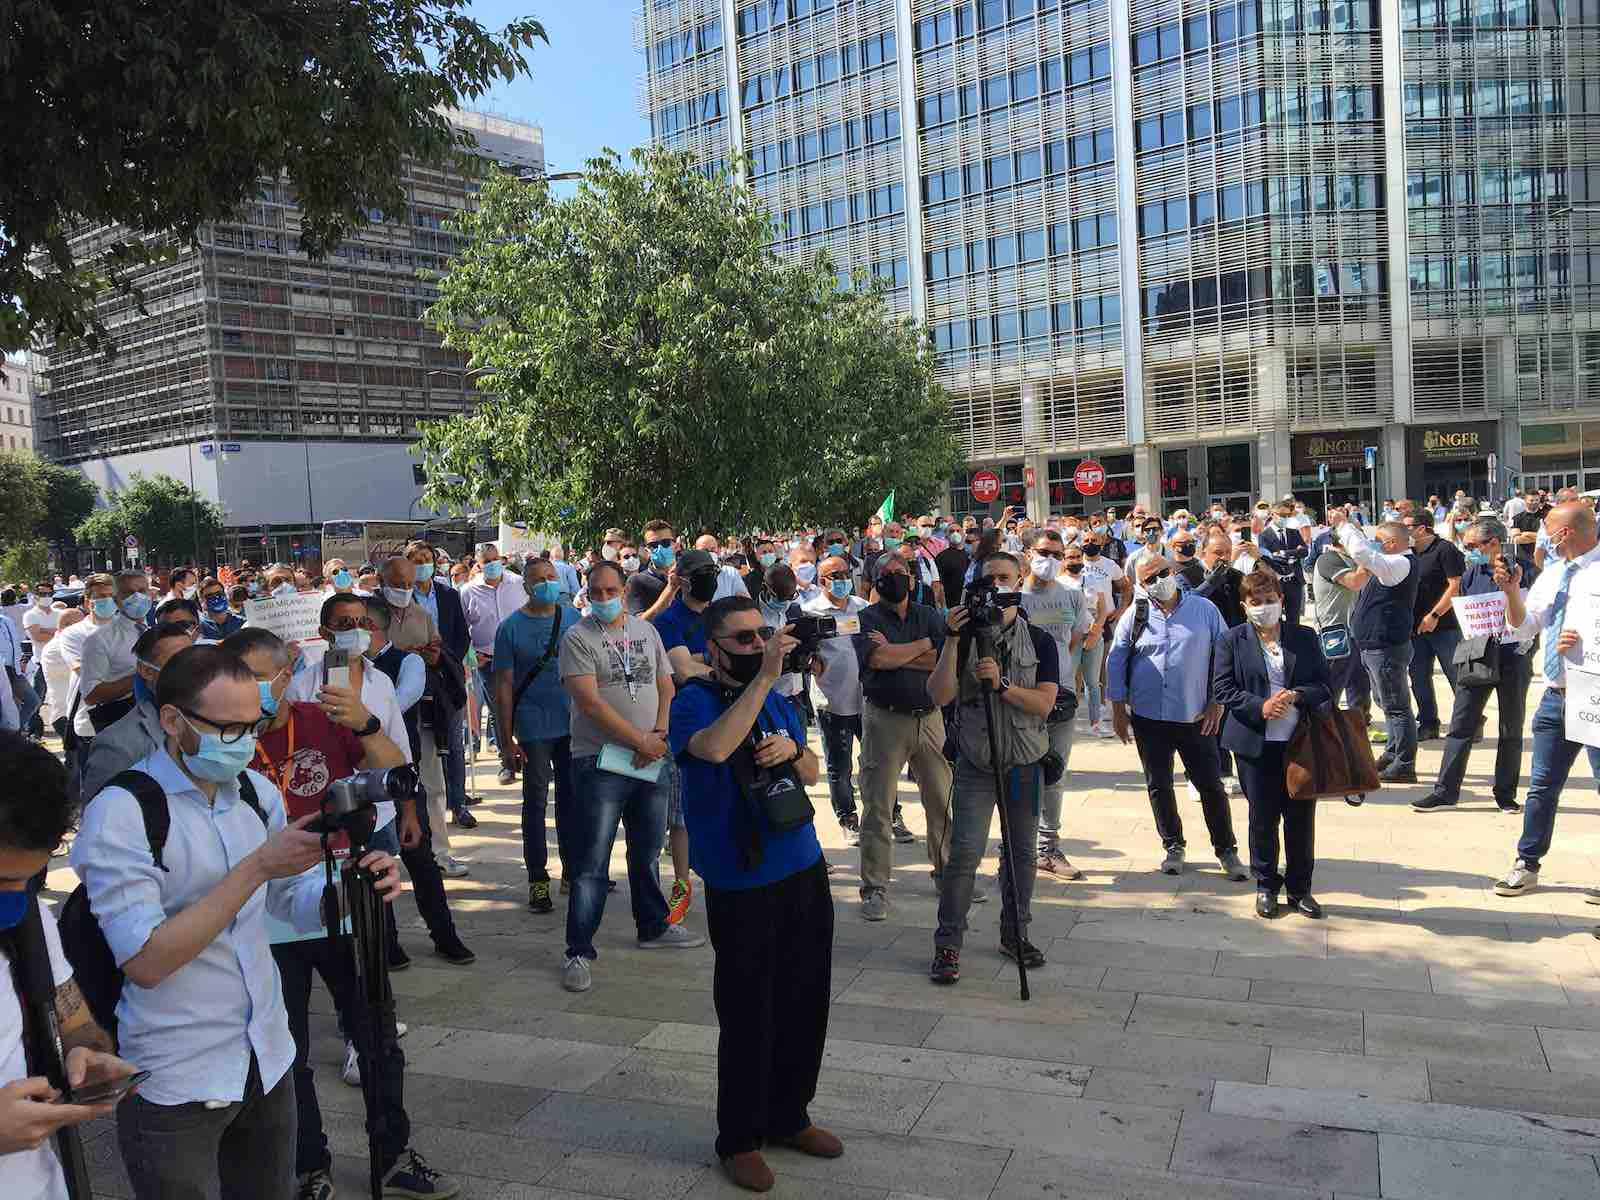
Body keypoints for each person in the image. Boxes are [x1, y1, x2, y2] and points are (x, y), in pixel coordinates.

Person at [70, 645, 403, 1199]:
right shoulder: (123, 811)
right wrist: (256, 868)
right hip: (177, 1072)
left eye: (254, 726)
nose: (246, 744)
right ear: (173, 721)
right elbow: (147, 960)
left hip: (267, 1056)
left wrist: (351, 890)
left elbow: (289, 901)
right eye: (229, 730)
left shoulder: (254, 792)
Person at [223, 630, 456, 1200]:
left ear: (287, 672)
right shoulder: (225, 741)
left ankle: (393, 1157)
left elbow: (396, 770)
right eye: (236, 677)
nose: (249, 691)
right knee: (288, 1048)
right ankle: (308, 1166)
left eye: (258, 677)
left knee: (375, 1033)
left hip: (344, 892)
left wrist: (366, 724)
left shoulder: (322, 719)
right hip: (264, 904)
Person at [668, 597, 839, 1192]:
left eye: (761, 636)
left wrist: (794, 751)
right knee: (747, 1012)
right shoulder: (692, 700)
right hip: (741, 880)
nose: (756, 646)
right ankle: (738, 1138)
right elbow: (713, 750)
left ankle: (790, 1115)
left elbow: (815, 768)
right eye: (742, 640)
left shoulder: (779, 698)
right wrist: (764, 673)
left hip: (802, 863)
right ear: (712, 648)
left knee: (805, 997)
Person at [295, 594, 476, 966]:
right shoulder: (302, 688)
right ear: (324, 633)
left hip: (384, 805)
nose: (356, 632)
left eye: (363, 623)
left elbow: (400, 749)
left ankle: (442, 936)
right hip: (333, 812)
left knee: (407, 867)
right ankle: (384, 947)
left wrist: (408, 809)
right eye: (344, 625)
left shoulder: (381, 682)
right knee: (359, 890)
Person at [0, 732, 140, 1200]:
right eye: (2, 879)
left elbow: (74, 1021)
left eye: (30, 878)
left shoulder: (27, 920)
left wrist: (86, 1057)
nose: (16, 896)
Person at [557, 561, 704, 994]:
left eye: (610, 590)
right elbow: (591, 704)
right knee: (592, 862)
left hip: (650, 756)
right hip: (600, 760)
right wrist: (642, 740)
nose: (603, 598)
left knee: (646, 850)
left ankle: (653, 924)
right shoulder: (578, 638)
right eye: (595, 591)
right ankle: (578, 949)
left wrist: (657, 734)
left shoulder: (645, 631)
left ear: (624, 590)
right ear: (586, 592)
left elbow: (665, 684)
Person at [925, 551, 1060, 984]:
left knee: (1021, 855)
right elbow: (940, 695)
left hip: (1024, 762)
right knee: (964, 854)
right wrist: (950, 640)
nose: (996, 587)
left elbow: (1044, 703)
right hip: (976, 762)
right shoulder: (962, 639)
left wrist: (1002, 686)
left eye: (1004, 578)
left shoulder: (1038, 641)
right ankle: (948, 944)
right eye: (988, 580)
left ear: (1019, 582)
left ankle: (1015, 933)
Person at [1105, 553, 1247, 880]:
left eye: (1162, 573)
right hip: (1148, 716)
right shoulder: (1135, 615)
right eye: (1149, 579)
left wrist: (1217, 702)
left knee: (1210, 785)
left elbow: (1223, 658)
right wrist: (1117, 710)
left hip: (1195, 715)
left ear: (1174, 570)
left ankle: (1226, 850)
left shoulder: (1204, 610)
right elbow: (1116, 660)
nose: (1158, 582)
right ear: (1141, 585)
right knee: (1159, 784)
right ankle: (1173, 845)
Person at [1494, 501, 1600, 896]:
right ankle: (1527, 862)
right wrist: (1510, 593)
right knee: (1541, 786)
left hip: (1596, 695)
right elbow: (1523, 626)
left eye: (1549, 530)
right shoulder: (1554, 573)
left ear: (1566, 533)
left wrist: (1586, 641)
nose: (1544, 538)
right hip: (1556, 696)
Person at [1212, 572, 1332, 919]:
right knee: (1262, 817)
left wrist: (1297, 695)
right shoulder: (1231, 641)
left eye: (1269, 600)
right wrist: (1259, 706)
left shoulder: (1304, 637)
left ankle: (1300, 888)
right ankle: (1266, 885)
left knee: (1300, 817)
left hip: (1299, 742)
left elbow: (1324, 685)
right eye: (1256, 602)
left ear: (1281, 599)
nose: (1264, 607)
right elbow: (1223, 688)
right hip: (1255, 743)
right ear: (1244, 606)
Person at [852, 553, 954, 921]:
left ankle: (947, 875)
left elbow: (945, 661)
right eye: (886, 574)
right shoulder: (864, 619)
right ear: (875, 581)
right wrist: (924, 646)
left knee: (941, 801)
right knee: (878, 806)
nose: (894, 578)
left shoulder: (929, 615)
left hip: (930, 719)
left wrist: (899, 653)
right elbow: (876, 661)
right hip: (884, 720)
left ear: (912, 579)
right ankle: (875, 887)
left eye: (900, 573)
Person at [1413, 517, 1532, 814]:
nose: (1467, 551)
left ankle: (1505, 794)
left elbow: (1532, 614)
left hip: (1513, 655)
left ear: (1493, 543)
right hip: (1476, 651)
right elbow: (1466, 607)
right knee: (1460, 724)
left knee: (1510, 728)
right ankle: (1445, 791)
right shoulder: (1471, 573)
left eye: (1471, 546)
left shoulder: (1524, 570)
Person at [494, 558, 581, 914]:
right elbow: (502, 689)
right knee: (535, 802)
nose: (547, 583)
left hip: (573, 723)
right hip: (532, 727)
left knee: (572, 802)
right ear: (526, 586)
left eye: (551, 577)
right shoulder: (510, 628)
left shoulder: (573, 618)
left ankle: (572, 871)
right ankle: (537, 878)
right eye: (539, 579)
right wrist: (505, 741)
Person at [653, 547, 726, 919]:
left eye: (713, 570)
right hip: (685, 719)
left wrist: (703, 659)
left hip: (725, 716)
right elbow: (682, 670)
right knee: (681, 810)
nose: (709, 578)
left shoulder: (719, 615)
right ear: (680, 580)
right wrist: (718, 663)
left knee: (723, 797)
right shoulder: (669, 621)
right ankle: (681, 884)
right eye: (701, 572)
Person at [1019, 530, 1089, 879]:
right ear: (1030, 552)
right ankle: (1019, 846)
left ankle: (1048, 848)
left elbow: (1076, 639)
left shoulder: (1073, 596)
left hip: (1061, 698)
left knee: (1055, 772)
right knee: (1020, 772)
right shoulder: (1014, 598)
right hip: (1021, 701)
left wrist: (1067, 677)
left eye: (1058, 554)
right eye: (1045, 552)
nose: (1051, 560)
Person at [1339, 517, 1421, 783]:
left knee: (1396, 706)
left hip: (1386, 646)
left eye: (1379, 540)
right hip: (1375, 645)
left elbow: (1361, 552)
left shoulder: (1398, 563)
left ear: (1393, 543)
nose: (1374, 545)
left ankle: (1405, 763)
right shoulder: (1391, 564)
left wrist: (1345, 526)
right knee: (1387, 703)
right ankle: (1394, 751)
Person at [78, 624, 194, 802]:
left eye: (192, 658)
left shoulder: (219, 717)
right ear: (146, 670)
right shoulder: (116, 746)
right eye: (176, 661)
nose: (192, 668)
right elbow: (102, 818)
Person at [806, 552, 873, 845]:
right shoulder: (810, 612)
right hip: (832, 701)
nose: (843, 580)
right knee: (840, 766)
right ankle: (847, 818)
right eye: (836, 576)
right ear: (822, 582)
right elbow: (802, 653)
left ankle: (888, 814)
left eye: (846, 574)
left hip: (868, 700)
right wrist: (811, 660)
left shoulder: (864, 608)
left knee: (877, 762)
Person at [459, 543, 528, 780]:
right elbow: (462, 628)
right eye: (486, 561)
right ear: (478, 564)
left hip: (522, 658)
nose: (491, 564)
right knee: (500, 711)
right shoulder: (467, 591)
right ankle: (506, 760)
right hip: (489, 662)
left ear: (502, 559)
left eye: (494, 559)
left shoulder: (519, 584)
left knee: (525, 706)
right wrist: (470, 655)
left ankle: (532, 756)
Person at [1404, 514, 1465, 742]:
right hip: (1415, 628)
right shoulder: (1409, 553)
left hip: (1445, 626)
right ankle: (1428, 723)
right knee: (1418, 677)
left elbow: (1456, 586)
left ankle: (1469, 722)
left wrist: (1435, 615)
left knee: (1457, 677)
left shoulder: (1445, 550)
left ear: (1421, 529)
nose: (1404, 531)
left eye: (1407, 526)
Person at [77, 568, 150, 739]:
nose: (137, 597)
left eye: (142, 591)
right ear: (117, 600)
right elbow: (91, 695)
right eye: (129, 593)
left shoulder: (156, 632)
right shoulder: (99, 639)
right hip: (120, 728)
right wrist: (143, 677)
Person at [1255, 499, 1309, 627]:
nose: (1285, 518)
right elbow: (1268, 558)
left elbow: (1304, 552)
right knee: (1275, 618)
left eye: (1287, 516)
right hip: (1275, 583)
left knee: (1294, 619)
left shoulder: (1294, 533)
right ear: (1273, 514)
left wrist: (1284, 553)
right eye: (1282, 515)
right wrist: (1294, 553)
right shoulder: (1264, 535)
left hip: (1294, 581)